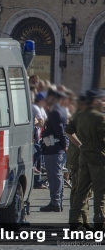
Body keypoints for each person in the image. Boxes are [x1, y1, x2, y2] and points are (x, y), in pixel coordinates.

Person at [67, 89, 105, 231]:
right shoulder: (100, 118)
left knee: (81, 191)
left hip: (84, 156)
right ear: (94, 101)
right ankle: (99, 223)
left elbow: (68, 132)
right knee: (100, 192)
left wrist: (80, 145)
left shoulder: (78, 115)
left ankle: (74, 222)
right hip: (98, 158)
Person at [40, 89, 69, 212]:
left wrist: (64, 145)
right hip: (57, 147)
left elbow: (59, 130)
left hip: (54, 147)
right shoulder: (60, 109)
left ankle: (55, 202)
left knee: (54, 176)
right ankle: (58, 201)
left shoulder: (54, 111)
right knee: (57, 175)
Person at [66, 94, 91, 230]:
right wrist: (80, 145)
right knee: (78, 190)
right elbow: (69, 133)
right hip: (78, 158)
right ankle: (77, 220)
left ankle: (83, 219)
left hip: (84, 157)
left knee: (85, 191)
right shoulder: (78, 117)